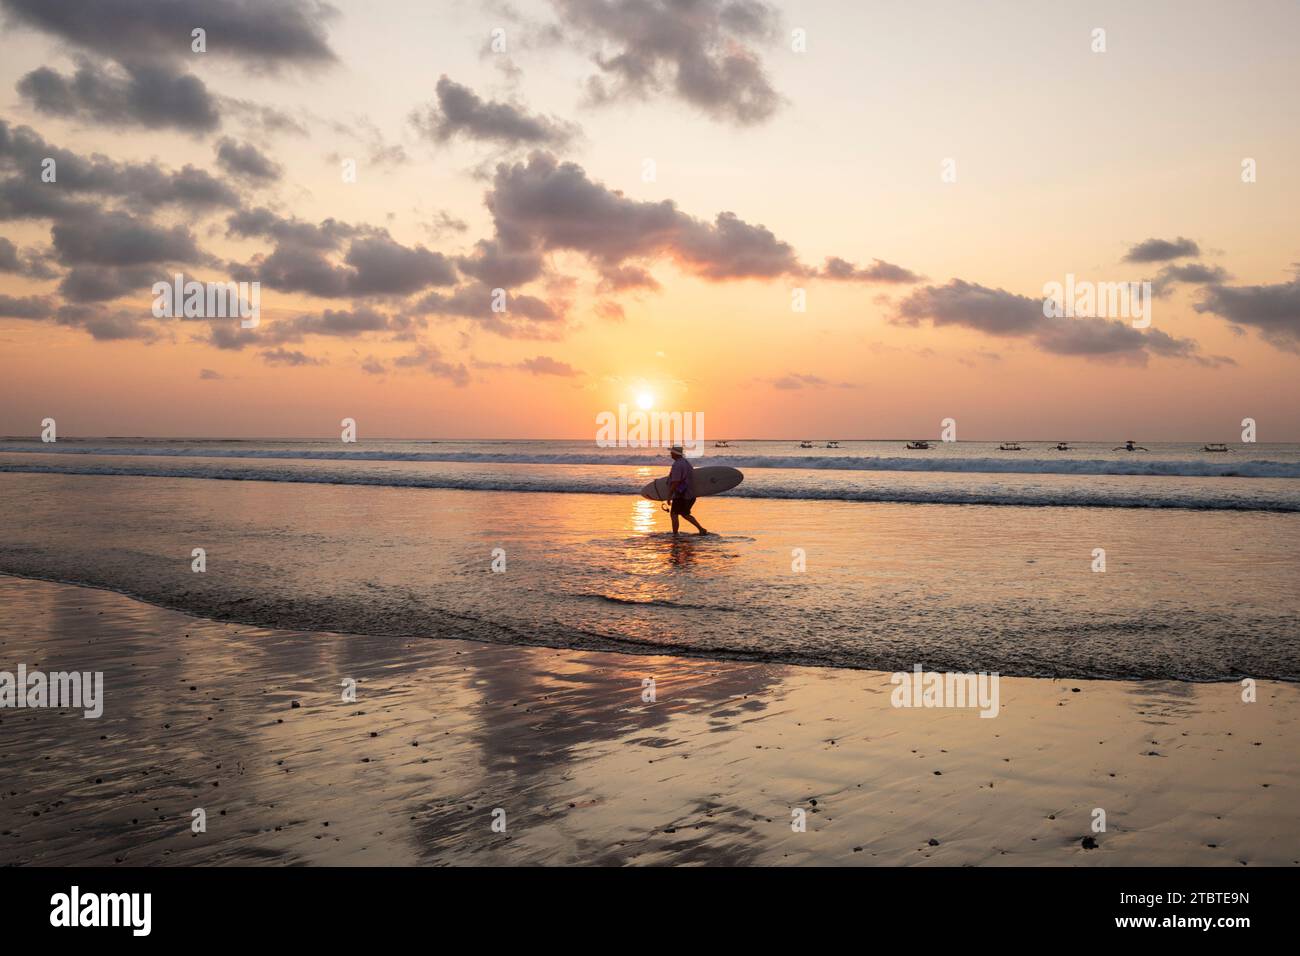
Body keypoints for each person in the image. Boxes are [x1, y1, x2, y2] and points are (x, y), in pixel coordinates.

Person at [666, 445, 709, 535]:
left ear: (675, 454)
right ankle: (701, 529)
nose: (670, 454)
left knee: (674, 514)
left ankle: (675, 534)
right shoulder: (686, 463)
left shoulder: (677, 465)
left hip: (681, 494)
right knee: (685, 514)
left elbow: (676, 482)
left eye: (672, 452)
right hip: (690, 494)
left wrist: (669, 496)